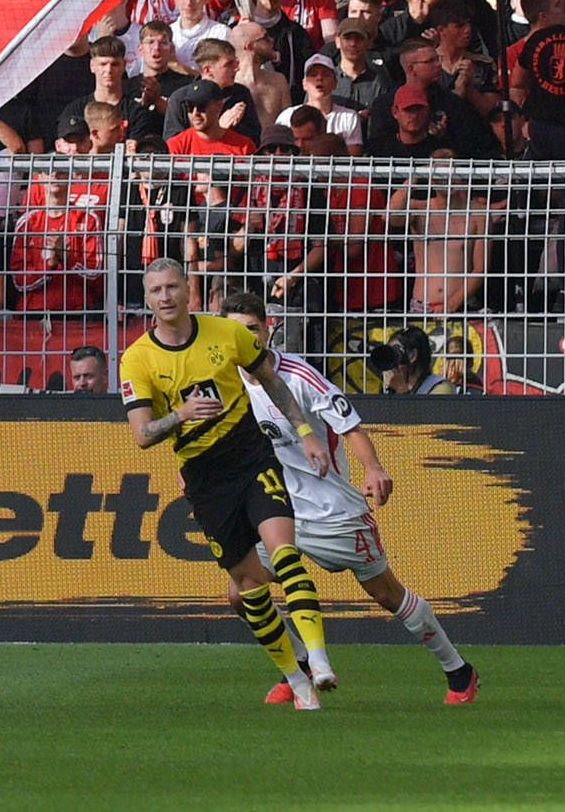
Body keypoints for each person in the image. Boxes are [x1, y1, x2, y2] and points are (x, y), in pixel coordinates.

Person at [214, 289, 477, 708]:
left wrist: (373, 468)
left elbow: (348, 423)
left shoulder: (299, 377)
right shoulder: (224, 383)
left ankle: (458, 669)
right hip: (276, 509)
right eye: (233, 331)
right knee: (240, 593)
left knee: (387, 594)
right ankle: (298, 667)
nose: (244, 339)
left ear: (268, 329)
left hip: (332, 509)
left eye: (251, 329)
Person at [118, 255, 326, 708]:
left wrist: (305, 431)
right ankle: (297, 676)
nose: (166, 297)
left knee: (284, 550)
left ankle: (320, 658)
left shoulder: (227, 332)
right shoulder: (137, 359)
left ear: (189, 289)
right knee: (248, 584)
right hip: (205, 477)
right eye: (156, 291)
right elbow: (142, 435)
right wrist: (181, 414)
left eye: (172, 287)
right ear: (147, 299)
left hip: (250, 456)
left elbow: (270, 379)